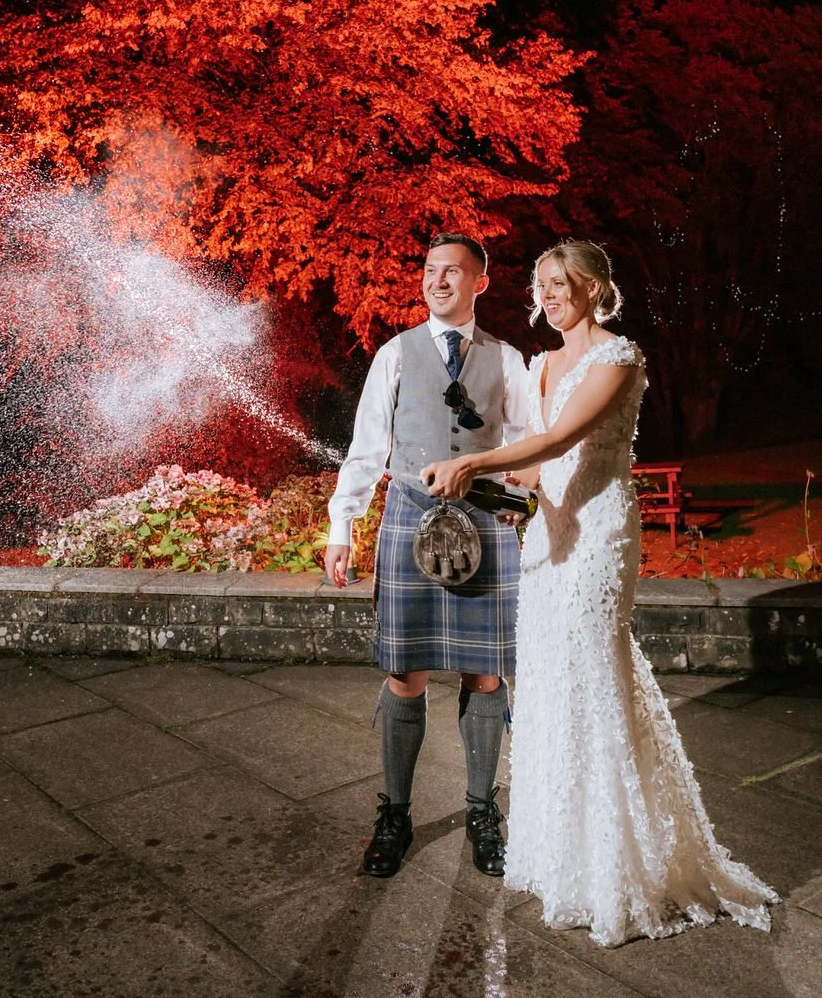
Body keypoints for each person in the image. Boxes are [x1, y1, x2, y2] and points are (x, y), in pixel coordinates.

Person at [424, 241, 778, 947]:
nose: (549, 296)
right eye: (542, 286)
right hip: (547, 538)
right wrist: (494, 487)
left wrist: (473, 461)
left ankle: (621, 866)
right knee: (551, 682)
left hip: (598, 534)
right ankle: (563, 858)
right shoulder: (542, 363)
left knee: (593, 674)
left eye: (561, 285)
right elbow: (534, 465)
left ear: (591, 288)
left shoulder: (618, 358)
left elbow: (561, 441)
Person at [325, 233, 527, 879]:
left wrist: (518, 499)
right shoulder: (394, 353)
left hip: (486, 522)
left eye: (452, 272)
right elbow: (366, 447)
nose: (437, 281)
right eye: (430, 270)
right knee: (403, 674)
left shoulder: (510, 360)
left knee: (485, 675)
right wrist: (342, 525)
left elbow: (528, 448)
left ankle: (480, 810)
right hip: (409, 518)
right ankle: (396, 813)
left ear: (480, 283)